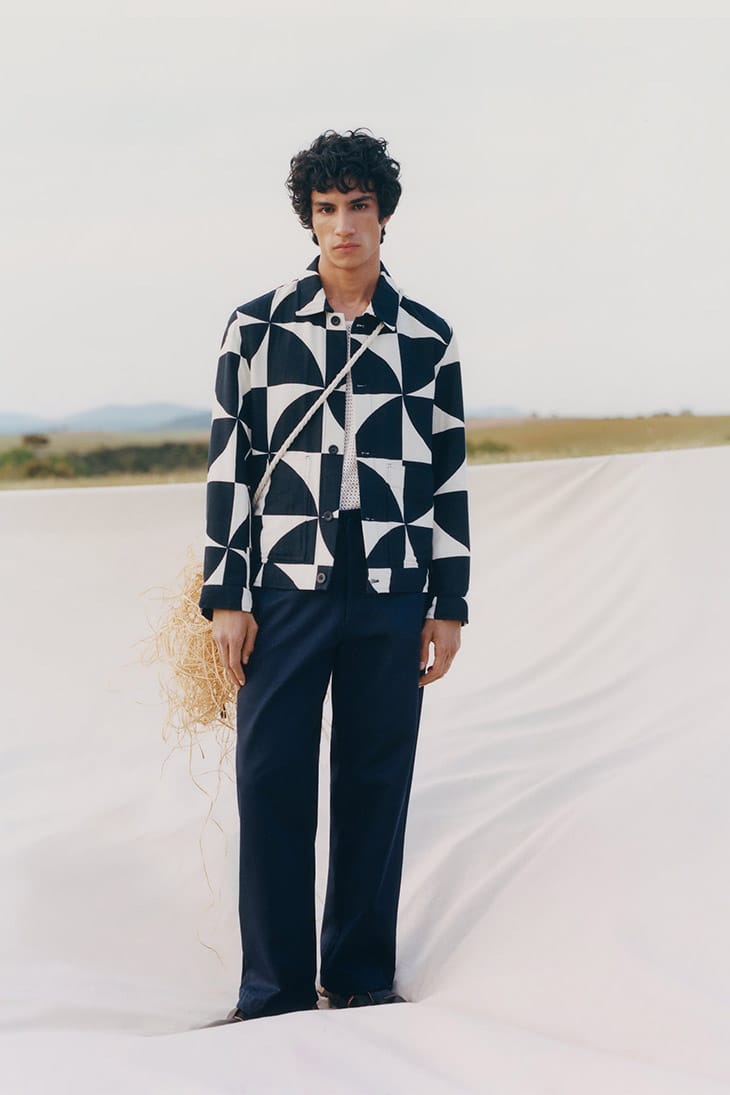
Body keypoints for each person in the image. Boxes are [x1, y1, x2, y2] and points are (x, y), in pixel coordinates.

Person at [198, 129, 470, 1023]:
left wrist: (450, 600)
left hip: (392, 586)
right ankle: (272, 992)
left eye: (358, 206)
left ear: (384, 215)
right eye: (326, 209)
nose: (343, 225)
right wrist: (227, 593)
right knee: (271, 776)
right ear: (308, 220)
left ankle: (357, 978)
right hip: (282, 586)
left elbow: (446, 476)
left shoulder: (428, 338)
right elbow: (230, 464)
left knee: (374, 779)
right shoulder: (257, 326)